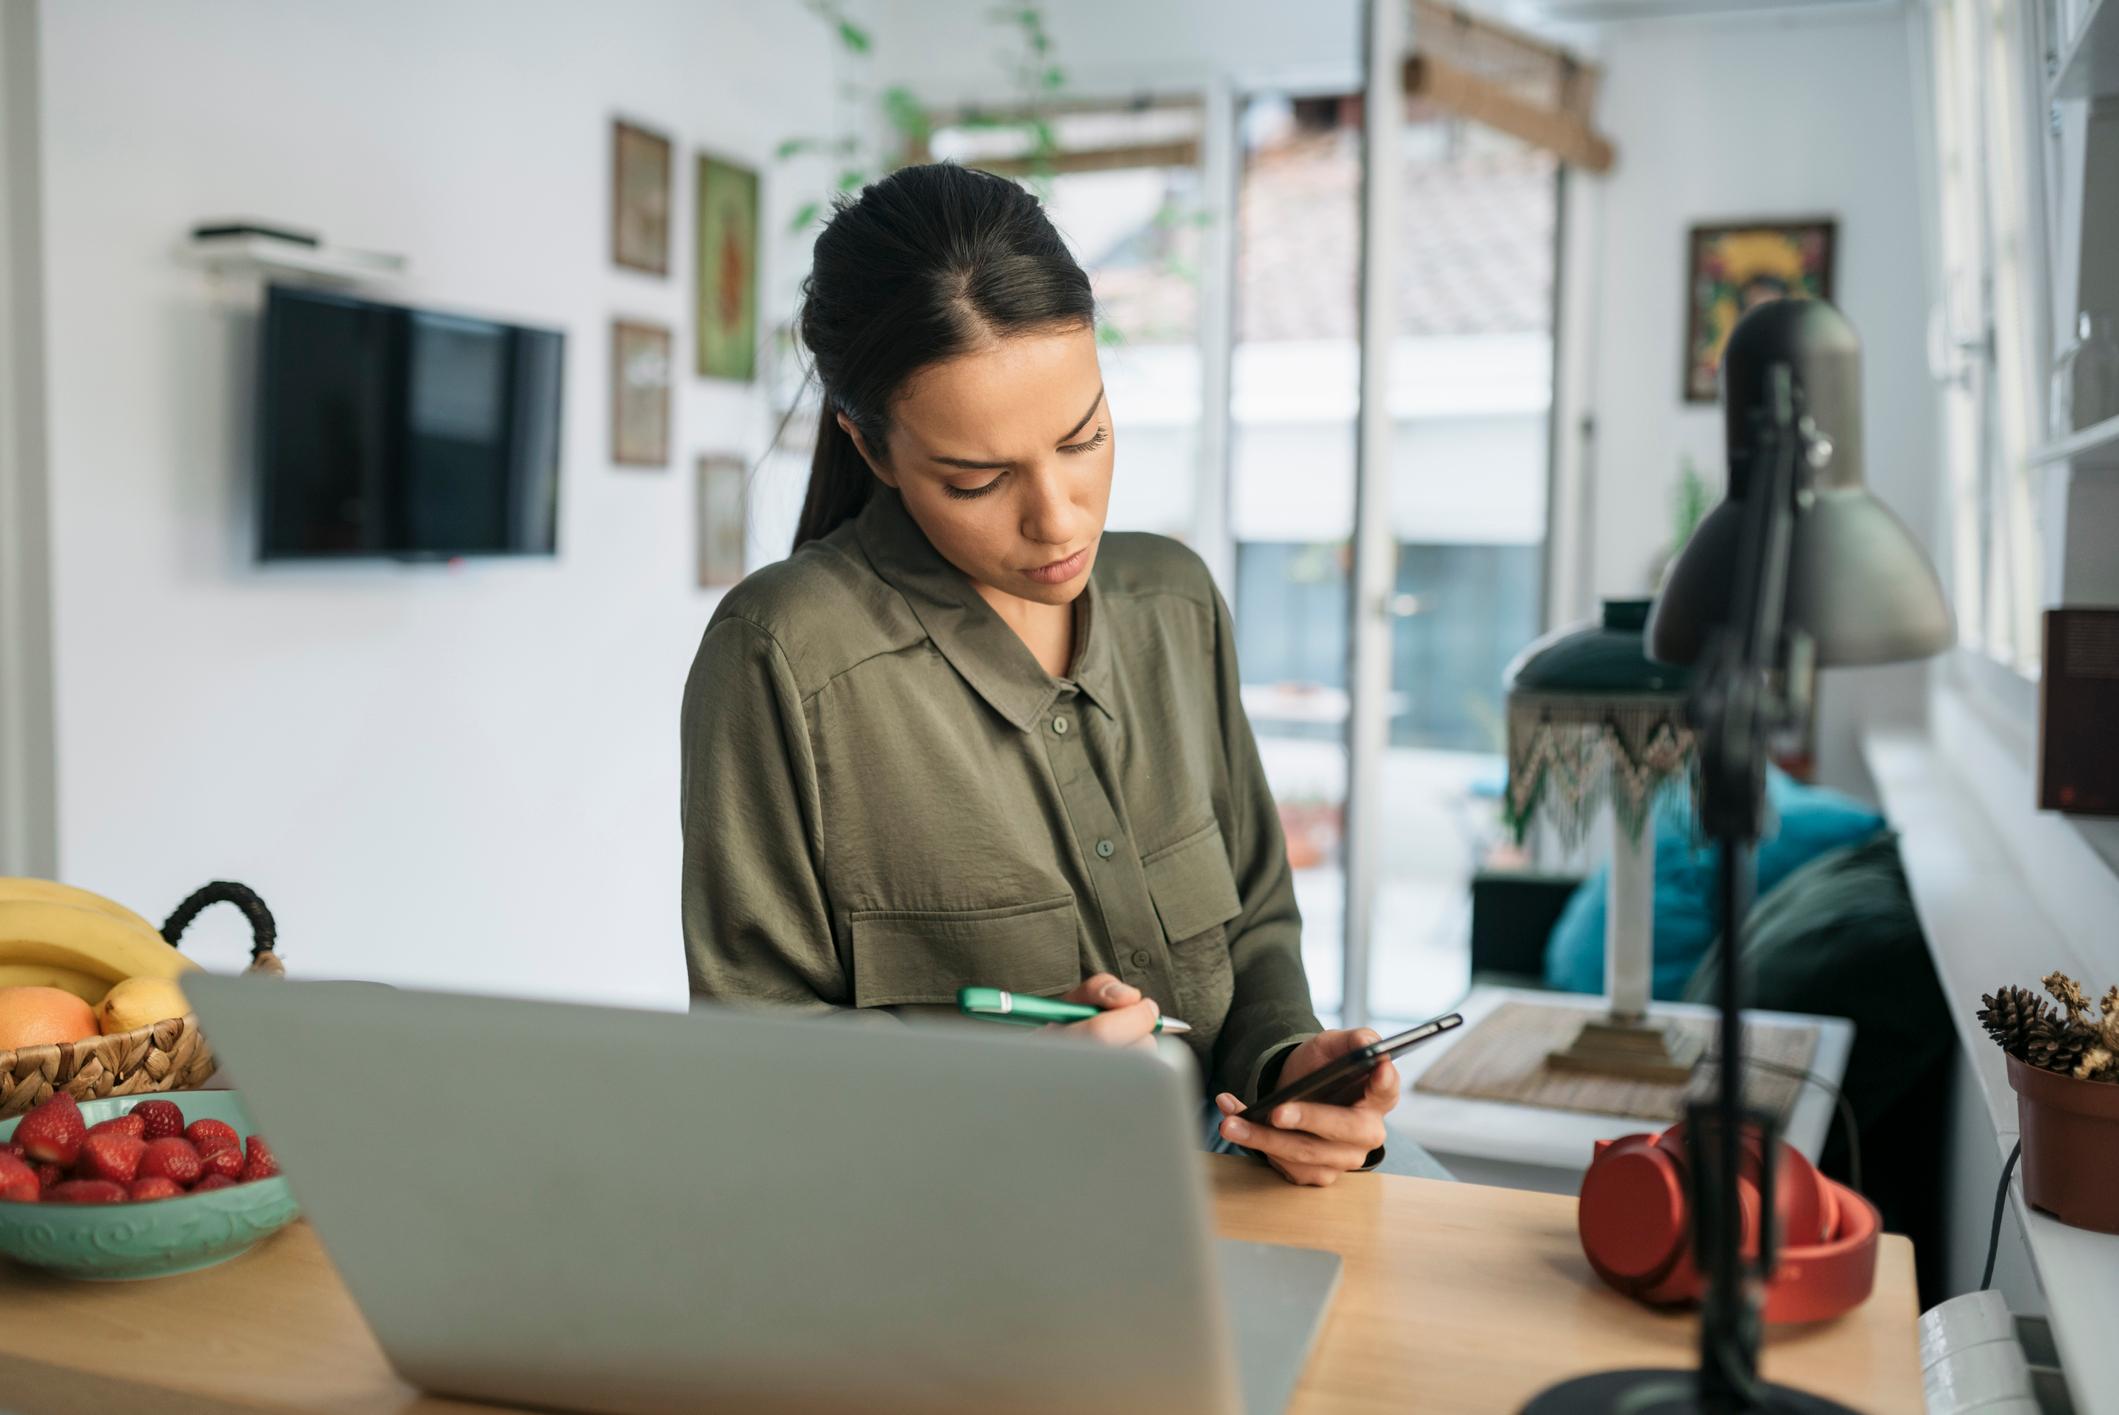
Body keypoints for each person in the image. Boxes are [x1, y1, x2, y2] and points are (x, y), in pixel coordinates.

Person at [681, 162, 1431, 1186]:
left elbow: (1253, 919)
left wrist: (1288, 1071)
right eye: (978, 478)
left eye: (1083, 437)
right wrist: (990, 1097)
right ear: (872, 446)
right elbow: (754, 1055)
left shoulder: (1175, 603)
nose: (1059, 516)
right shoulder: (785, 654)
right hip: (968, 1233)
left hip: (1242, 1198)